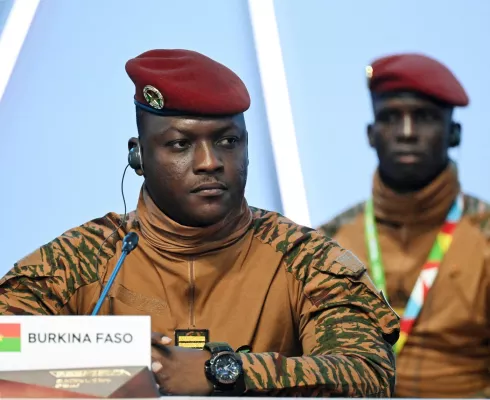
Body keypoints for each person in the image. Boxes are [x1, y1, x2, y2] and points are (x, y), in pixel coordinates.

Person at [0, 49, 399, 397]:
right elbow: (4, 349)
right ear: (138, 156)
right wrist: (113, 362)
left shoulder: (303, 258)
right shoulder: (83, 258)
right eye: (180, 144)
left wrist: (223, 373)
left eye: (228, 141)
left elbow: (369, 373)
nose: (210, 162)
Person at [318, 52, 490, 398]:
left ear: (454, 134)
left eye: (424, 117)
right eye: (391, 117)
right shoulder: (328, 243)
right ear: (370, 134)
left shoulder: (484, 237)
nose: (407, 133)